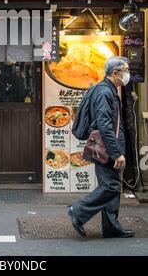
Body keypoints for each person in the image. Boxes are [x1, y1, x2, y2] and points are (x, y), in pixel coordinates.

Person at [68, 56, 135, 239]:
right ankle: (78, 211)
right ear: (116, 73)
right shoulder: (105, 92)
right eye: (126, 70)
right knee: (111, 186)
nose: (128, 74)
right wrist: (116, 153)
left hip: (108, 147)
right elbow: (105, 125)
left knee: (111, 186)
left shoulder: (109, 90)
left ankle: (111, 226)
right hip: (106, 149)